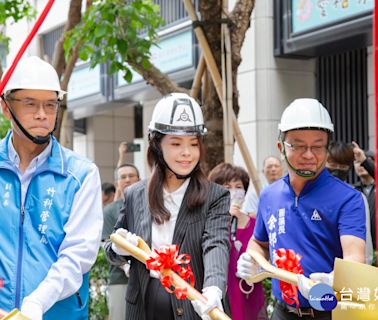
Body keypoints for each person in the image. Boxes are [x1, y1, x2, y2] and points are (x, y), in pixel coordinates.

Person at [104, 93, 230, 320]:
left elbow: (216, 244)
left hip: (193, 304)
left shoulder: (216, 196)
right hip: (144, 304)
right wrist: (119, 249)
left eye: (194, 144)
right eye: (176, 143)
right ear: (157, 145)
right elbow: (112, 248)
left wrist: (213, 288)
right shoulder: (135, 194)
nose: (187, 153)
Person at [237, 98, 366, 320]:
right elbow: (259, 242)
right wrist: (251, 259)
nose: (308, 155)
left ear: (327, 150)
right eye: (297, 145)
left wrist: (336, 278)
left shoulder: (348, 198)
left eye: (317, 146)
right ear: (281, 148)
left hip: (330, 313)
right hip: (282, 311)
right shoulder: (269, 195)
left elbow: (355, 256)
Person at [0, 56, 103, 319]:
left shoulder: (81, 175)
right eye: (30, 103)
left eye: (50, 104)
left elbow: (78, 254)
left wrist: (36, 303)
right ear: (5, 107)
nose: (42, 114)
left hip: (58, 313)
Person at [208, 163, 267, 320]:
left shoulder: (256, 224)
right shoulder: (210, 224)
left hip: (249, 291)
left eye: (238, 186)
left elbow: (267, 257)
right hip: (221, 291)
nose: (233, 191)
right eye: (227, 186)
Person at [102, 164, 140, 320]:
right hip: (120, 279)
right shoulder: (110, 211)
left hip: (151, 277)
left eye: (131, 176)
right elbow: (107, 244)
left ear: (139, 179)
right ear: (117, 183)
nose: (127, 180)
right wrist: (125, 266)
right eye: (123, 177)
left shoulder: (152, 205)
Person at [326, 141, 374, 264]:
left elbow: (365, 249)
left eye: (342, 167)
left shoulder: (354, 198)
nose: (337, 170)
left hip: (346, 269)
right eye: (333, 164)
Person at [353, 143, 376, 251]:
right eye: (357, 162)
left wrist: (364, 160)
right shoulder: (352, 190)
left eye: (363, 162)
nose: (361, 165)